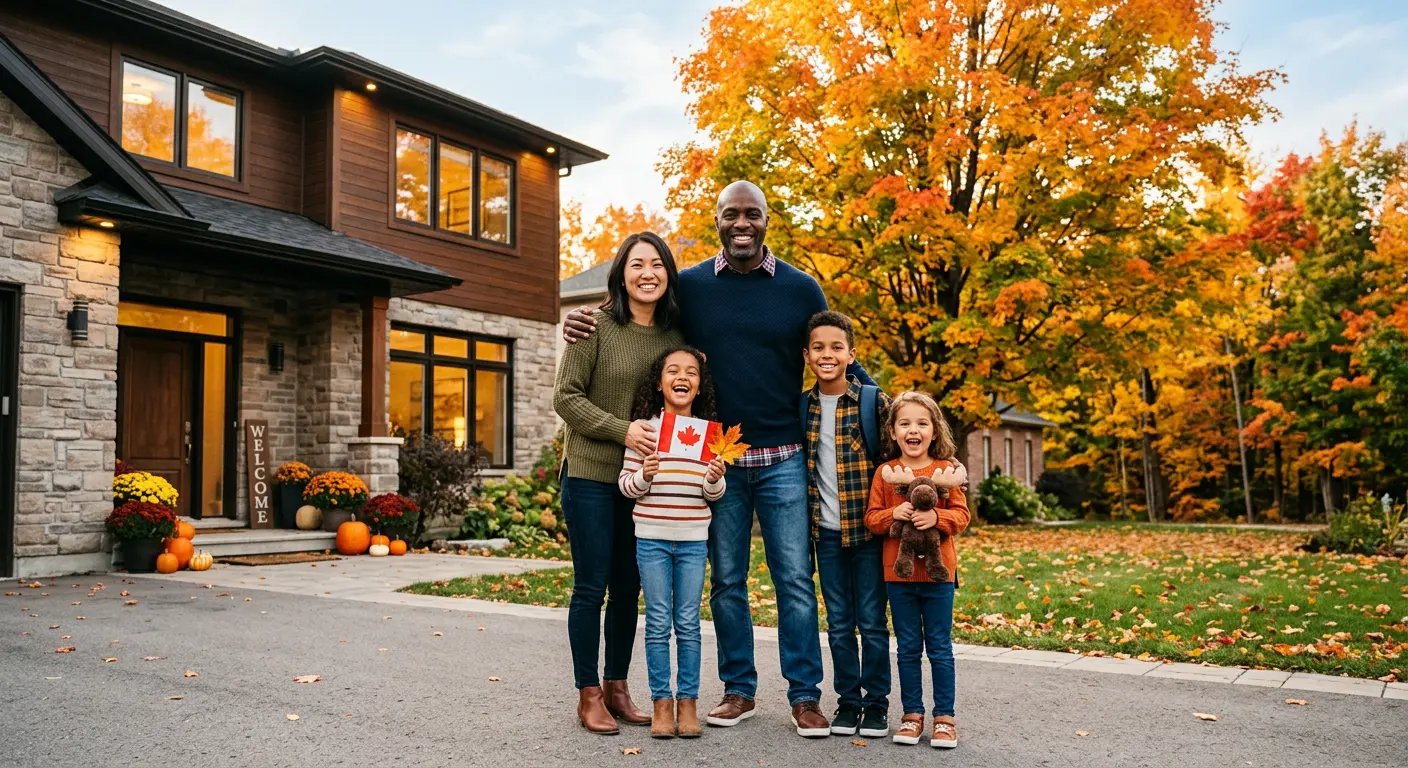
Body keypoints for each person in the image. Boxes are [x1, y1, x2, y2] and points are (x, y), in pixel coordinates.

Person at [564, 180, 872, 737]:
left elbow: (833, 352)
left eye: (751, 214)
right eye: (731, 214)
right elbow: (640, 305)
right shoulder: (694, 286)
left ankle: (805, 696)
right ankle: (739, 690)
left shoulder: (802, 289)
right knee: (727, 581)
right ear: (717, 220)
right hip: (715, 458)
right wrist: (584, 317)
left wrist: (877, 400)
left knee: (794, 581)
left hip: (781, 453)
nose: (741, 224)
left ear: (767, 219)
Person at [553, 231, 685, 734]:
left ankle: (617, 688)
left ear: (668, 274)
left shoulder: (676, 336)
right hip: (589, 473)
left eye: (657, 264)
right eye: (636, 264)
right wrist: (622, 430)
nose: (647, 272)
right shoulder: (595, 326)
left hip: (644, 481)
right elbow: (566, 397)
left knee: (629, 586)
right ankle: (587, 694)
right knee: (592, 586)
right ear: (621, 274)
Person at [618, 346, 726, 740]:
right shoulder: (645, 431)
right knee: (658, 623)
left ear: (699, 386)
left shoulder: (710, 434)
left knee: (688, 624)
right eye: (673, 371)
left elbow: (714, 494)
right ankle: (662, 703)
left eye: (692, 372)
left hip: (693, 540)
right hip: (651, 539)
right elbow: (626, 486)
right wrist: (645, 475)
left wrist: (715, 476)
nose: (683, 377)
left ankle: (688, 702)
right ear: (660, 382)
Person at [800, 311, 891, 738]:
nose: (827, 354)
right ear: (806, 356)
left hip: (870, 533)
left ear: (852, 354)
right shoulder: (803, 407)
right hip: (828, 535)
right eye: (818, 347)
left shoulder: (874, 402)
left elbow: (899, 461)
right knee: (838, 623)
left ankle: (876, 704)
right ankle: (848, 702)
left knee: (872, 621)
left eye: (837, 347)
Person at [864, 392, 971, 749]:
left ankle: (945, 718)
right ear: (893, 432)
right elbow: (872, 518)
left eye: (922, 423)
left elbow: (962, 515)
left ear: (934, 430)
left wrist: (936, 517)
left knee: (939, 646)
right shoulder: (886, 473)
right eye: (905, 423)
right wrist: (893, 514)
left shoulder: (947, 470)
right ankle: (912, 715)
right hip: (900, 575)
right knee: (908, 647)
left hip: (940, 577)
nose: (914, 430)